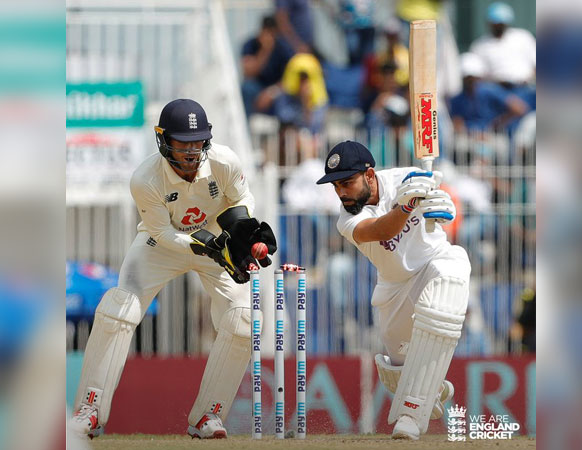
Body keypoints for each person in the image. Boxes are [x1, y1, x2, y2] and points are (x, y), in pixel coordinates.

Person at [68, 99, 277, 440]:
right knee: (119, 308)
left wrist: (240, 232)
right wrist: (203, 244)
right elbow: (162, 232)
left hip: (215, 244)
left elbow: (243, 199)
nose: (192, 151)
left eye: (198, 141)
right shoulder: (145, 179)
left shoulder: (225, 161)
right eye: (183, 142)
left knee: (244, 319)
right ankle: (90, 409)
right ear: (164, 140)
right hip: (160, 246)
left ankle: (209, 415)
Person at [316, 141, 470, 440]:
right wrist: (408, 206)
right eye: (336, 186)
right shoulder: (346, 219)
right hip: (394, 286)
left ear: (369, 175)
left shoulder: (409, 177)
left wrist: (443, 206)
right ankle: (432, 386)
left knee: (448, 284)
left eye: (347, 182)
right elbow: (382, 230)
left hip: (434, 262)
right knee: (396, 372)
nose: (341, 192)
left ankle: (411, 416)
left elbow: (445, 199)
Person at [469, 2, 536, 87]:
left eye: (501, 24)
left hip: (524, 87)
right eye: (495, 24)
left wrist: (529, 80)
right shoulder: (479, 45)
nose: (498, 27)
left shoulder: (523, 37)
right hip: (495, 90)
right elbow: (477, 74)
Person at [240, 15, 294, 117]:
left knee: (285, 98)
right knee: (246, 89)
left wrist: (271, 93)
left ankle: (285, 128)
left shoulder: (284, 48)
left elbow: (290, 78)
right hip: (257, 87)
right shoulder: (250, 45)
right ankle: (245, 128)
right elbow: (248, 72)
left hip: (277, 88)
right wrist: (265, 51)